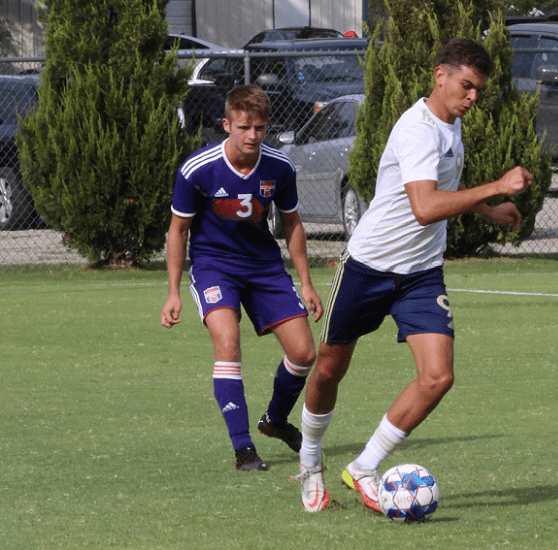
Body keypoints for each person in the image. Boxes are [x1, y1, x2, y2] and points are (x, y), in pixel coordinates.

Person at [295, 38, 534, 512]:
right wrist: (498, 184)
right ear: (439, 75)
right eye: (466, 86)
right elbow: (425, 207)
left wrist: (488, 209)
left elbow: (446, 183)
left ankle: (364, 466)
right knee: (328, 367)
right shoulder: (417, 129)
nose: (472, 97)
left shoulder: (451, 125)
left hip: (421, 273)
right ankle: (309, 458)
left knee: (437, 376)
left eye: (478, 91)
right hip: (369, 266)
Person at [161, 85, 323, 471]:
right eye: (244, 127)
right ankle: (243, 449)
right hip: (215, 266)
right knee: (228, 341)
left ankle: (275, 420)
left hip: (264, 267)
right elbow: (177, 230)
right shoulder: (197, 169)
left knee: (304, 354)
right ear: (227, 125)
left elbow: (291, 222)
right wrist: (172, 291)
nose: (252, 135)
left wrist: (306, 282)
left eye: (261, 127)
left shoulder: (279, 167)